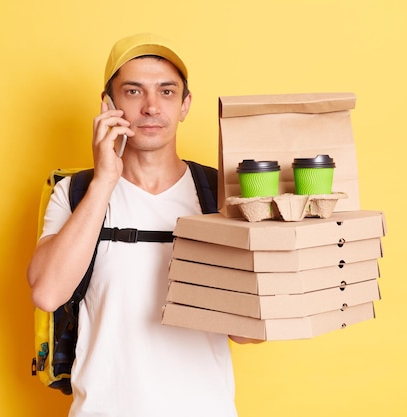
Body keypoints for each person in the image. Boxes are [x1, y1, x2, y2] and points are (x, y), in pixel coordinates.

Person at [27, 33, 259, 417]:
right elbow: (48, 293)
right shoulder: (75, 192)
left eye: (167, 92)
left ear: (185, 105)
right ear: (109, 104)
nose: (151, 107)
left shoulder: (220, 196)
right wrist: (105, 181)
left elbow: (248, 332)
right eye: (133, 92)